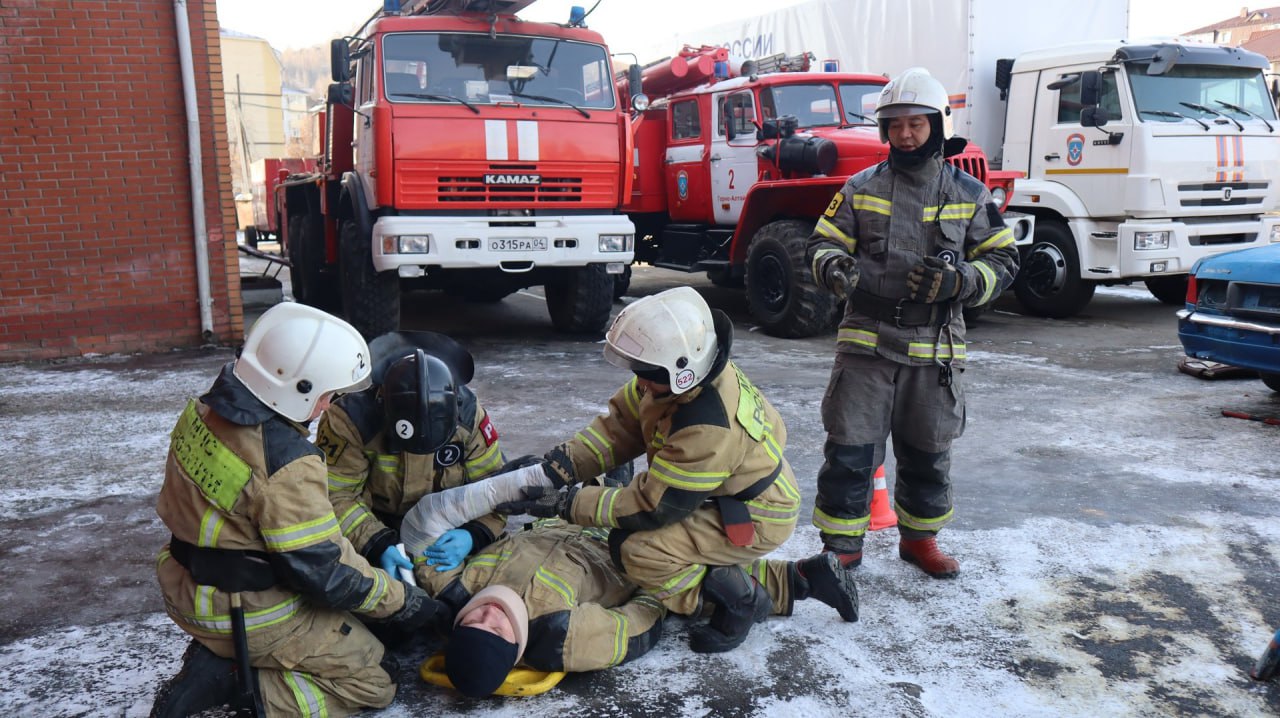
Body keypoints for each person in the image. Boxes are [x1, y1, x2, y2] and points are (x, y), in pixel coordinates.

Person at [499, 286, 858, 654]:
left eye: (647, 374)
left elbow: (651, 508)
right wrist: (561, 465)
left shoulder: (705, 426)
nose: (639, 382)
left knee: (638, 552)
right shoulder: (676, 376)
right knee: (667, 551)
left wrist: (565, 503)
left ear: (682, 371)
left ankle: (743, 602)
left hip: (756, 512)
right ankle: (802, 580)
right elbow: (618, 429)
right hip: (722, 494)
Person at [151, 303, 452, 718]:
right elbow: (328, 575)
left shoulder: (206, 410)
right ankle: (241, 683)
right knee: (376, 676)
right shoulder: (286, 462)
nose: (328, 407)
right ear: (297, 387)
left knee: (353, 628)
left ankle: (226, 656)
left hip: (184, 582)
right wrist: (406, 602)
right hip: (249, 609)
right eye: (327, 395)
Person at [805, 67, 1020, 579]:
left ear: (937, 125)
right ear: (884, 130)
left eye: (916, 124)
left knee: (928, 452)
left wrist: (960, 282)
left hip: (935, 347)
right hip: (865, 344)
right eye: (895, 124)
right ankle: (842, 549)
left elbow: (1004, 261)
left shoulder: (970, 193)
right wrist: (834, 266)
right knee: (850, 450)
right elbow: (821, 243)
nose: (905, 134)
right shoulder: (859, 188)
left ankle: (920, 541)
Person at [316, 330, 510, 592]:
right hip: (372, 526)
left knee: (469, 593)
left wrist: (475, 533)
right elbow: (336, 496)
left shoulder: (470, 417)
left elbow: (495, 487)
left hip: (446, 528)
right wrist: (375, 542)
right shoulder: (350, 422)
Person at [417, 519, 665, 698]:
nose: (489, 612)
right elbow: (640, 624)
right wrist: (659, 585)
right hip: (617, 539)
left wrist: (474, 532)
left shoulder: (451, 592)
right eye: (496, 628)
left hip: (554, 518)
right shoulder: (564, 637)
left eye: (473, 622)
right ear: (515, 648)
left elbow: (423, 536)